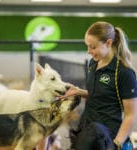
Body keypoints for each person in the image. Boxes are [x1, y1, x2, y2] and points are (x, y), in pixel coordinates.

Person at [59, 21, 137, 149]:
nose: (89, 51)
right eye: (88, 46)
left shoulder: (124, 73)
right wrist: (79, 91)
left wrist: (116, 143)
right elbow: (100, 95)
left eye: (93, 47)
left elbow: (131, 115)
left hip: (108, 136)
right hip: (88, 130)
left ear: (108, 43)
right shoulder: (93, 64)